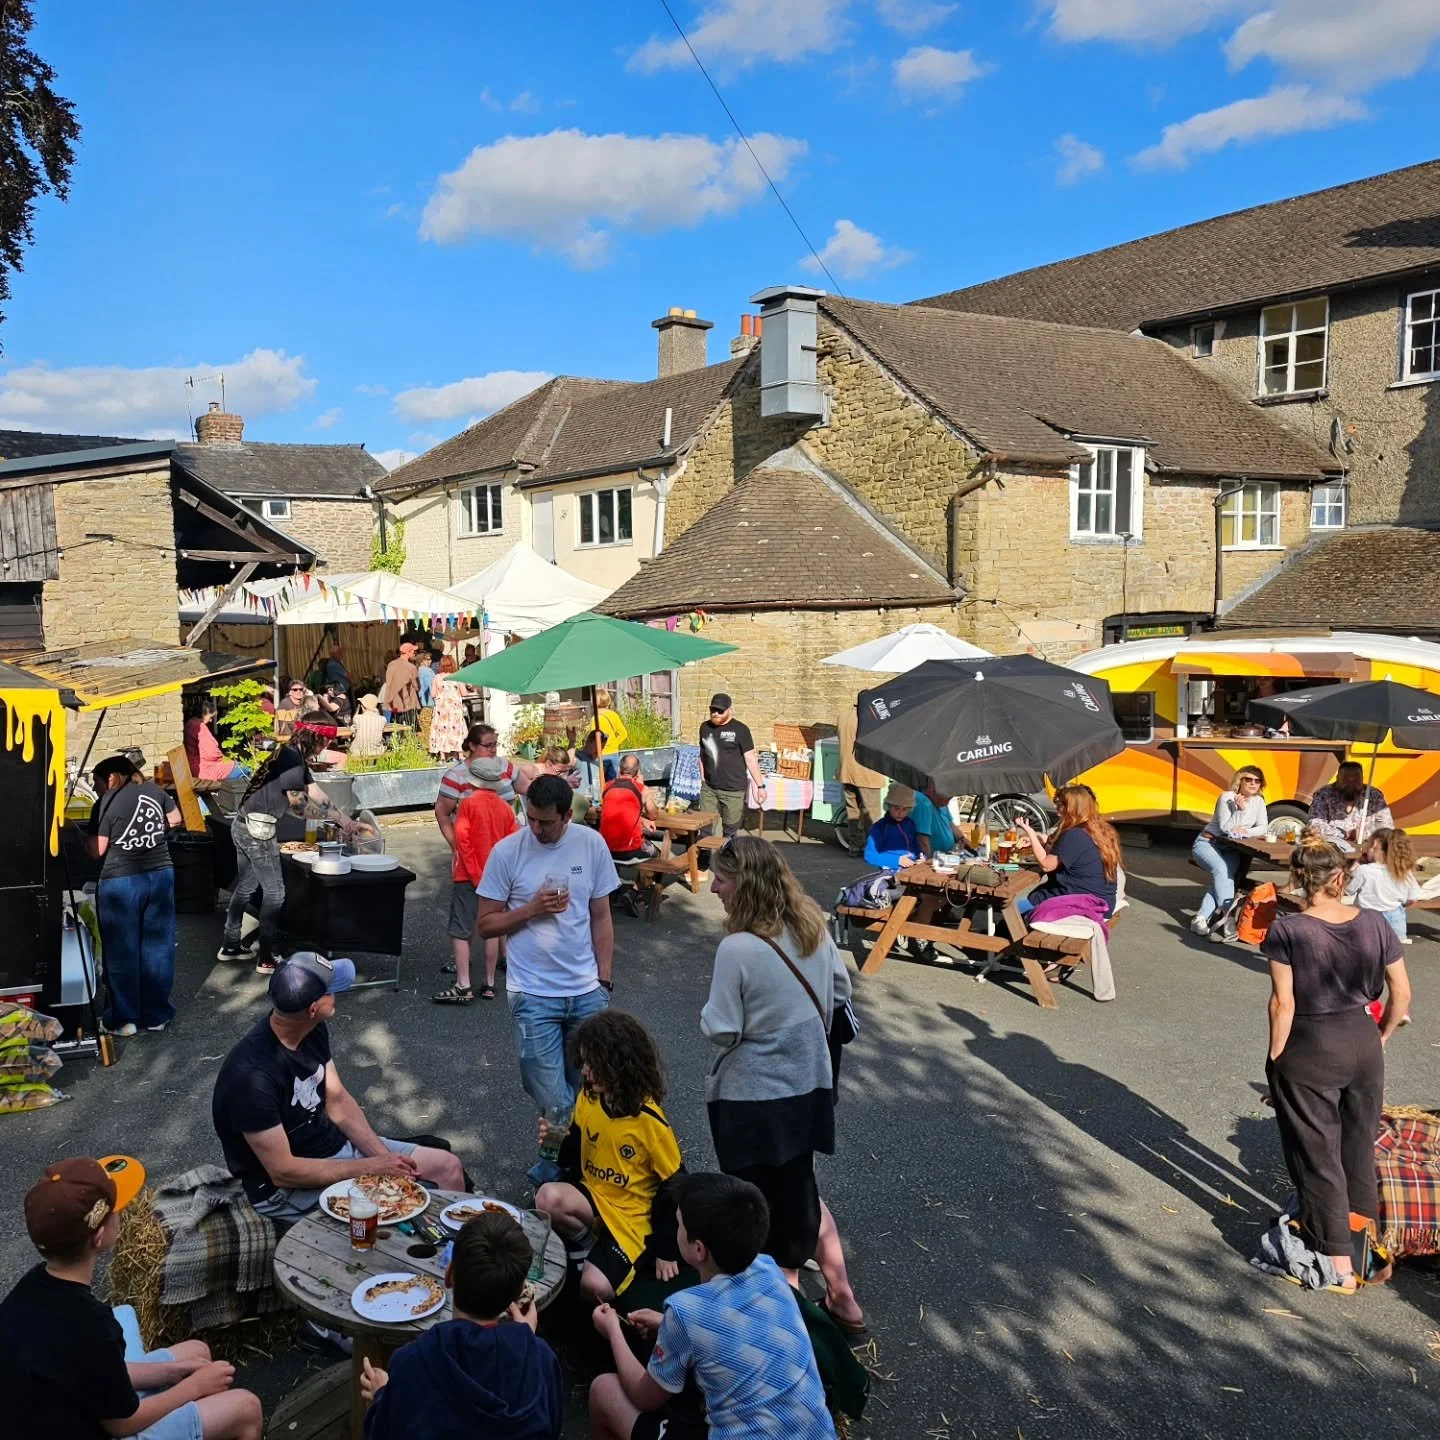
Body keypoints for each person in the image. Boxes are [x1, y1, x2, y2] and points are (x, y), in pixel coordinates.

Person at [705, 836, 864, 1334]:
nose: (713, 888)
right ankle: (842, 1297)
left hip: (752, 1097)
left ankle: (785, 1324)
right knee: (799, 1188)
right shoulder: (811, 924)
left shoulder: (738, 948)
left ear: (744, 885)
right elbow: (841, 992)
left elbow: (722, 1027)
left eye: (722, 879)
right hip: (809, 1088)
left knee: (757, 1205)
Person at [0, 1153, 264, 1440]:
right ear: (99, 1236)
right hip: (102, 1426)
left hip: (50, 1413)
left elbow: (91, 1369)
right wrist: (194, 1387)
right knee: (246, 1407)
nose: (121, 1214)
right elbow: (123, 1423)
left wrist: (171, 1371)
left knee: (196, 1352)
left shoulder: (31, 1287)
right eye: (116, 1210)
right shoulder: (91, 1323)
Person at [212, 952, 464, 1223]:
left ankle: (456, 1255)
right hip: (284, 1189)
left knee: (448, 1167)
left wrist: (386, 1159)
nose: (338, 995)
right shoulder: (251, 1078)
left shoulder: (311, 1028)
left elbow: (338, 1101)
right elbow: (283, 1171)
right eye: (331, 991)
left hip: (332, 1148)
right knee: (400, 1213)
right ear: (312, 1009)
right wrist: (371, 1167)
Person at [1262, 837, 1411, 1291]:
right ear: (1342, 877)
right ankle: (1365, 1252)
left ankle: (1338, 1264)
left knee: (1318, 1154)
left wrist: (1275, 1060)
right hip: (1363, 1041)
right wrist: (1381, 1036)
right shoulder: (1376, 924)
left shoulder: (1288, 930)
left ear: (1298, 879)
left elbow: (1282, 1005)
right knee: (1357, 1148)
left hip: (1311, 1043)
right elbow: (1401, 994)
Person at [588, 1172, 836, 1440]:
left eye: (679, 1225)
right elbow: (739, 1325)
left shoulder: (686, 1310)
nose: (676, 1229)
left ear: (699, 1250)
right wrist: (664, 1323)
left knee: (603, 1391)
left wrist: (613, 1329)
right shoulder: (769, 1269)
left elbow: (645, 1397)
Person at [476, 774, 618, 1184]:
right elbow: (485, 925)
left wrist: (603, 983)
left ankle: (563, 1172)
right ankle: (556, 1173)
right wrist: (532, 909)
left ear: (567, 816)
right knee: (555, 1100)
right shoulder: (508, 852)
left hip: (586, 991)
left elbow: (601, 917)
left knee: (589, 1093)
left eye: (545, 823)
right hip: (533, 994)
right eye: (530, 818)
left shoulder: (590, 845)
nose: (535, 829)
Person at [359, 1210, 564, 1440]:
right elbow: (551, 1427)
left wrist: (382, 1397)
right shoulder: (541, 1359)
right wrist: (525, 1341)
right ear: (518, 1293)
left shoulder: (412, 1362)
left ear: (449, 1275)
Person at [535, 1010, 683, 1302]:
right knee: (546, 1197)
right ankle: (588, 1246)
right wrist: (558, 1144)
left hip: (631, 1216)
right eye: (585, 1061)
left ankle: (611, 1261)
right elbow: (574, 1158)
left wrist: (667, 1251)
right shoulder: (588, 1097)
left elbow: (674, 1188)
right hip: (595, 1196)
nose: (586, 1071)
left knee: (594, 1287)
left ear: (619, 1066)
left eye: (593, 1063)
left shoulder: (650, 1122)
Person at [217, 725, 333, 973]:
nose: (326, 748)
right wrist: (327, 818)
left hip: (241, 824)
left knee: (247, 886)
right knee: (276, 893)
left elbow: (315, 792)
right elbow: (299, 804)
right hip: (258, 832)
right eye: (326, 742)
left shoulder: (290, 754)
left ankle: (230, 944)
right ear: (317, 738)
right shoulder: (292, 760)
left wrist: (343, 819)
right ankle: (268, 956)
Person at [89, 756, 182, 1037]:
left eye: (98, 783)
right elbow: (176, 819)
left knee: (122, 950)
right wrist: (151, 836)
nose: (97, 789)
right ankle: (156, 1015)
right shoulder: (156, 792)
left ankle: (124, 1020)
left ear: (112, 777)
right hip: (161, 875)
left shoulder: (107, 801)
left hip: (121, 880)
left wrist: (76, 834)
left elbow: (98, 850)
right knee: (157, 947)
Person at [439, 757, 520, 1005]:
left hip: (468, 875)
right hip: (497, 878)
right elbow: (513, 842)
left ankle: (463, 984)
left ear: (472, 781)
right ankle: (489, 983)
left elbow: (462, 841)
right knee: (492, 928)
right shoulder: (505, 808)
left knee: (461, 929)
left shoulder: (467, 804)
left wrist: (475, 875)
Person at [1015, 784, 1121, 918]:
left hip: (1083, 903)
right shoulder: (1099, 829)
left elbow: (1047, 865)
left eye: (1061, 805)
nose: (1057, 809)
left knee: (1017, 908)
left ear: (1073, 808)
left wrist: (1030, 832)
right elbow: (1062, 853)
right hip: (1101, 900)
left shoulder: (1075, 834)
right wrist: (1041, 841)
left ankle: (1006, 935)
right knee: (1034, 896)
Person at [1190, 766, 1269, 935]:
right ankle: (1228, 917)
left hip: (1232, 849)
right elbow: (1226, 828)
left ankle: (1200, 918)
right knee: (1222, 871)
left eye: (1257, 780)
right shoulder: (1227, 798)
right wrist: (1240, 811)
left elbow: (1263, 827)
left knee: (1224, 879)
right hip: (1208, 843)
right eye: (1248, 779)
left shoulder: (1259, 801)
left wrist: (1247, 831)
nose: (1253, 783)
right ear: (1239, 780)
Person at [699, 695, 765, 839]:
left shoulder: (741, 730)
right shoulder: (705, 727)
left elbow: (750, 758)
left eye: (720, 711)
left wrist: (760, 786)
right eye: (713, 710)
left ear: (730, 710)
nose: (715, 713)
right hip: (709, 789)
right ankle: (703, 859)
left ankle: (728, 859)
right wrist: (703, 778)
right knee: (705, 828)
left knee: (730, 830)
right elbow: (702, 754)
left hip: (733, 790)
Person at [1347, 827, 1422, 945]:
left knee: (1368, 954)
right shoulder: (1403, 871)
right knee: (1392, 957)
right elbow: (1413, 897)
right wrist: (1401, 906)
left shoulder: (1363, 870)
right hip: (1395, 921)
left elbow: (1348, 890)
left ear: (1375, 844)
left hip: (1368, 920)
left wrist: (1356, 864)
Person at [836, 698, 886, 853]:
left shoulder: (843, 716)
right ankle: (873, 848)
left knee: (853, 810)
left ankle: (855, 845)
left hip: (847, 770)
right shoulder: (873, 719)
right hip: (867, 773)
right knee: (872, 813)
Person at [1308, 761, 1394, 849]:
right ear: (1337, 778)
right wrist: (1345, 834)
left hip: (1367, 849)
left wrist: (1364, 834)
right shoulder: (1323, 795)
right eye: (1346, 779)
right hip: (1334, 850)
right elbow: (1315, 826)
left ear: (1362, 779)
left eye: (1356, 780)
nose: (1351, 783)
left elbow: (1387, 826)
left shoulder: (1374, 795)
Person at [599, 754, 662, 860]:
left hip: (605, 848)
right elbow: (653, 815)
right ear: (638, 772)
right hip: (631, 850)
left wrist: (640, 819)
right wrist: (642, 786)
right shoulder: (641, 789)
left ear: (619, 770)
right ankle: (646, 876)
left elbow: (621, 809)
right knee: (658, 854)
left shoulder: (607, 787)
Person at [184, 696, 247, 781]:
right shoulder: (199, 727)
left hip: (196, 765)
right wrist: (223, 757)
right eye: (210, 717)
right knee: (245, 769)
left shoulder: (190, 724)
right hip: (206, 769)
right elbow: (211, 753)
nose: (210, 720)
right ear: (203, 713)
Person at [863, 784, 923, 870]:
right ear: (888, 806)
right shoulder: (880, 827)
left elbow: (916, 847)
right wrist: (897, 860)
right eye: (896, 808)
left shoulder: (910, 824)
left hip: (912, 869)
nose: (900, 813)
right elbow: (869, 856)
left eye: (905, 809)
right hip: (892, 871)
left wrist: (921, 857)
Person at [428, 655, 470, 760]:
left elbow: (433, 694)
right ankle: (460, 754)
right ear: (453, 664)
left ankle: (443, 755)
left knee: (442, 730)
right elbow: (464, 693)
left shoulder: (437, 677)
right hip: (455, 709)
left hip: (441, 710)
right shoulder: (458, 676)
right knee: (457, 730)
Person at [384, 639, 422, 727]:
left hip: (395, 702)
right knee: (411, 728)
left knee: (397, 727)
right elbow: (417, 687)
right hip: (409, 702)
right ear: (408, 652)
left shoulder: (391, 665)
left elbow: (389, 682)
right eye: (413, 651)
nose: (414, 653)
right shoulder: (411, 667)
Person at [910, 784, 955, 857]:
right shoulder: (923, 802)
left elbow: (951, 825)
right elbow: (922, 841)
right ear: (932, 792)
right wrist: (927, 862)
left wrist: (963, 840)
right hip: (934, 860)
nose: (952, 796)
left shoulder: (942, 803)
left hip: (948, 856)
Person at [350, 693, 387, 758]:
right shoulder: (383, 719)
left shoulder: (357, 718)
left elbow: (353, 731)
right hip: (376, 751)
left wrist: (357, 711)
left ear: (363, 706)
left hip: (358, 752)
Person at [594, 689, 628, 755]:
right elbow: (623, 733)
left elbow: (593, 738)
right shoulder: (613, 715)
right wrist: (614, 744)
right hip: (613, 753)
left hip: (601, 754)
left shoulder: (595, 718)